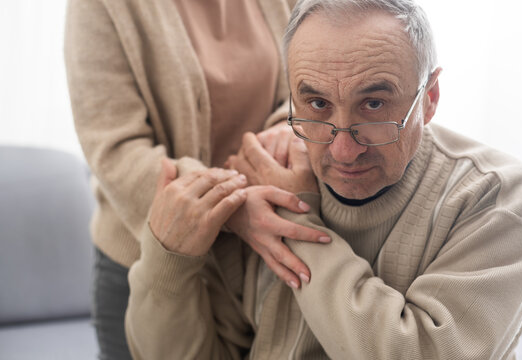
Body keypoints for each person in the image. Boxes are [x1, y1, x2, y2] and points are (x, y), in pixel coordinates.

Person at [125, 0, 522, 359]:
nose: (343, 151)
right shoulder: (260, 196)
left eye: (374, 104)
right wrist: (168, 260)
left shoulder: (501, 200)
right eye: (318, 103)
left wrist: (299, 226)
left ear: (428, 99)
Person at [64, 0, 330, 359]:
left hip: (259, 257)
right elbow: (115, 148)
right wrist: (230, 208)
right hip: (150, 256)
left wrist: (286, 134)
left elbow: (310, 81)